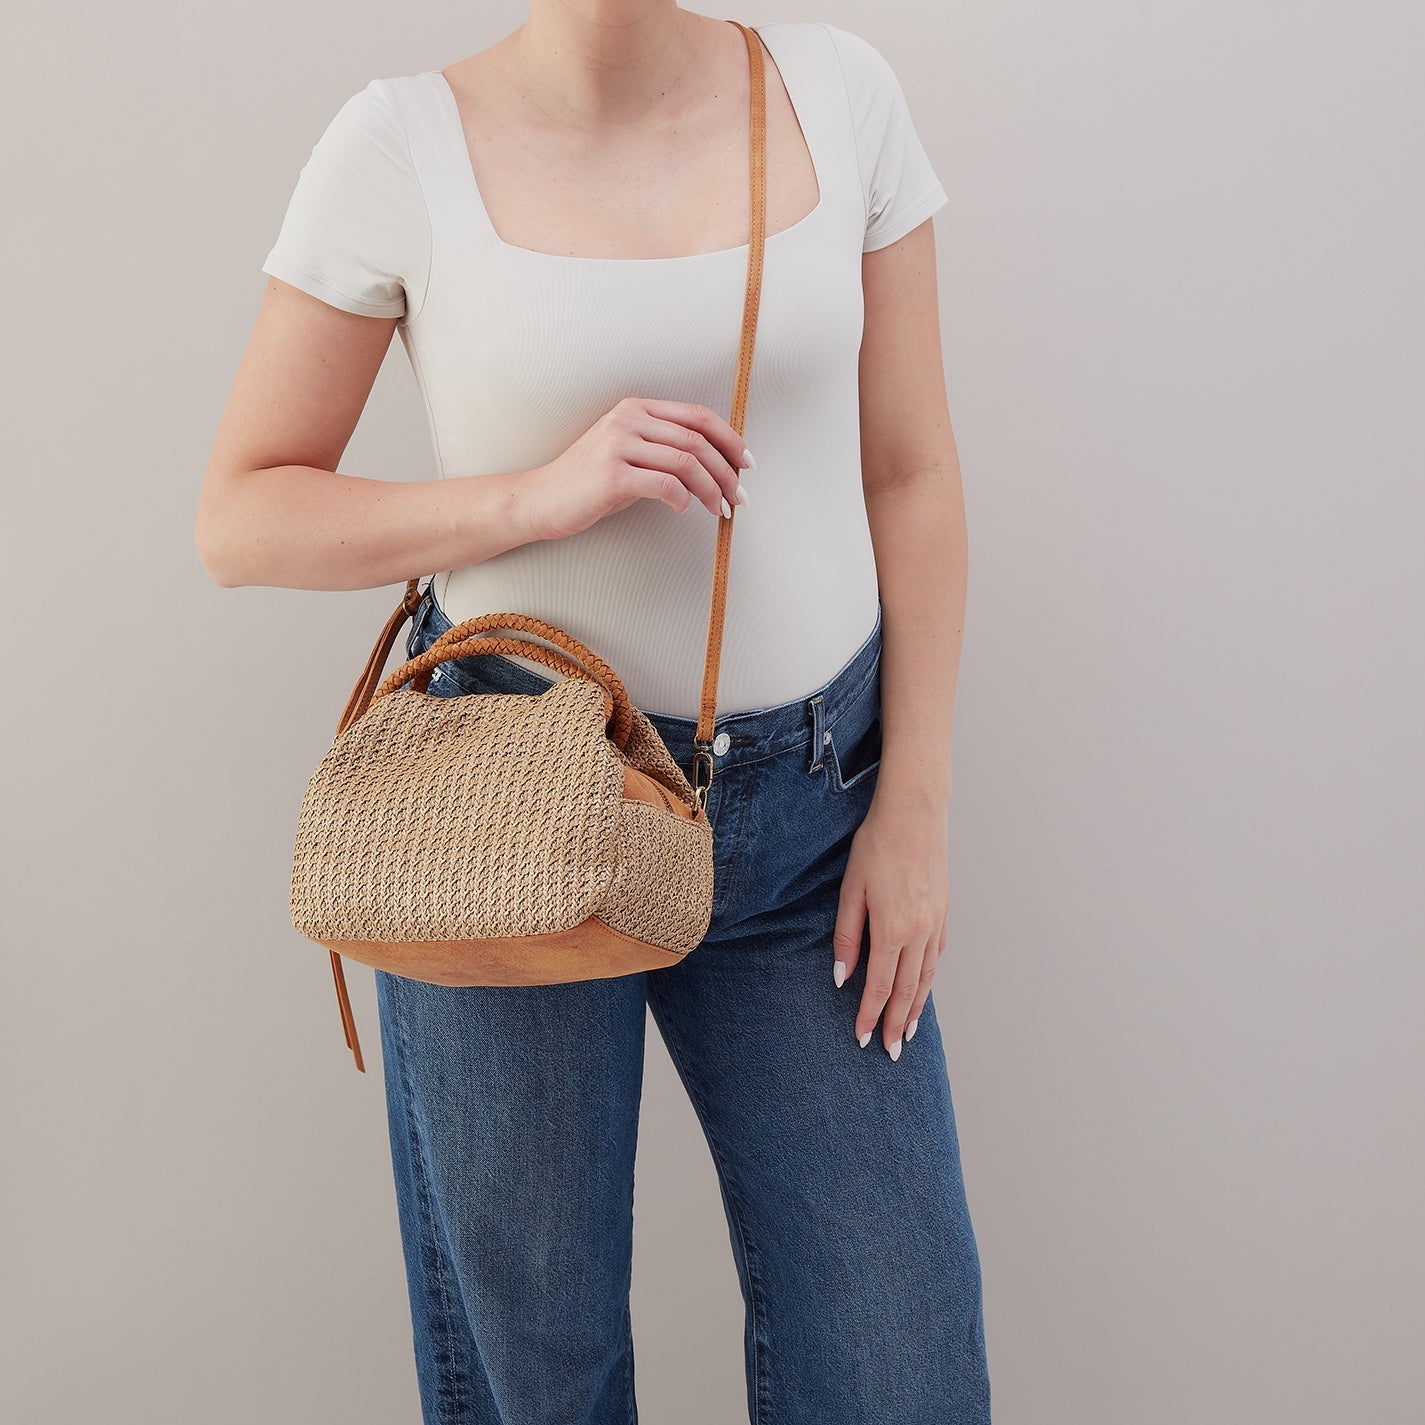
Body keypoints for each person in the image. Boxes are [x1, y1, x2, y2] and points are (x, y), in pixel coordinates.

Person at [197, 4, 990, 1421]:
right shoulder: (400, 143)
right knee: (537, 1374)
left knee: (898, 1368)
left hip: (817, 812)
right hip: (509, 804)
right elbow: (241, 514)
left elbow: (912, 470)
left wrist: (913, 799)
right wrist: (530, 496)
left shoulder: (835, 91)